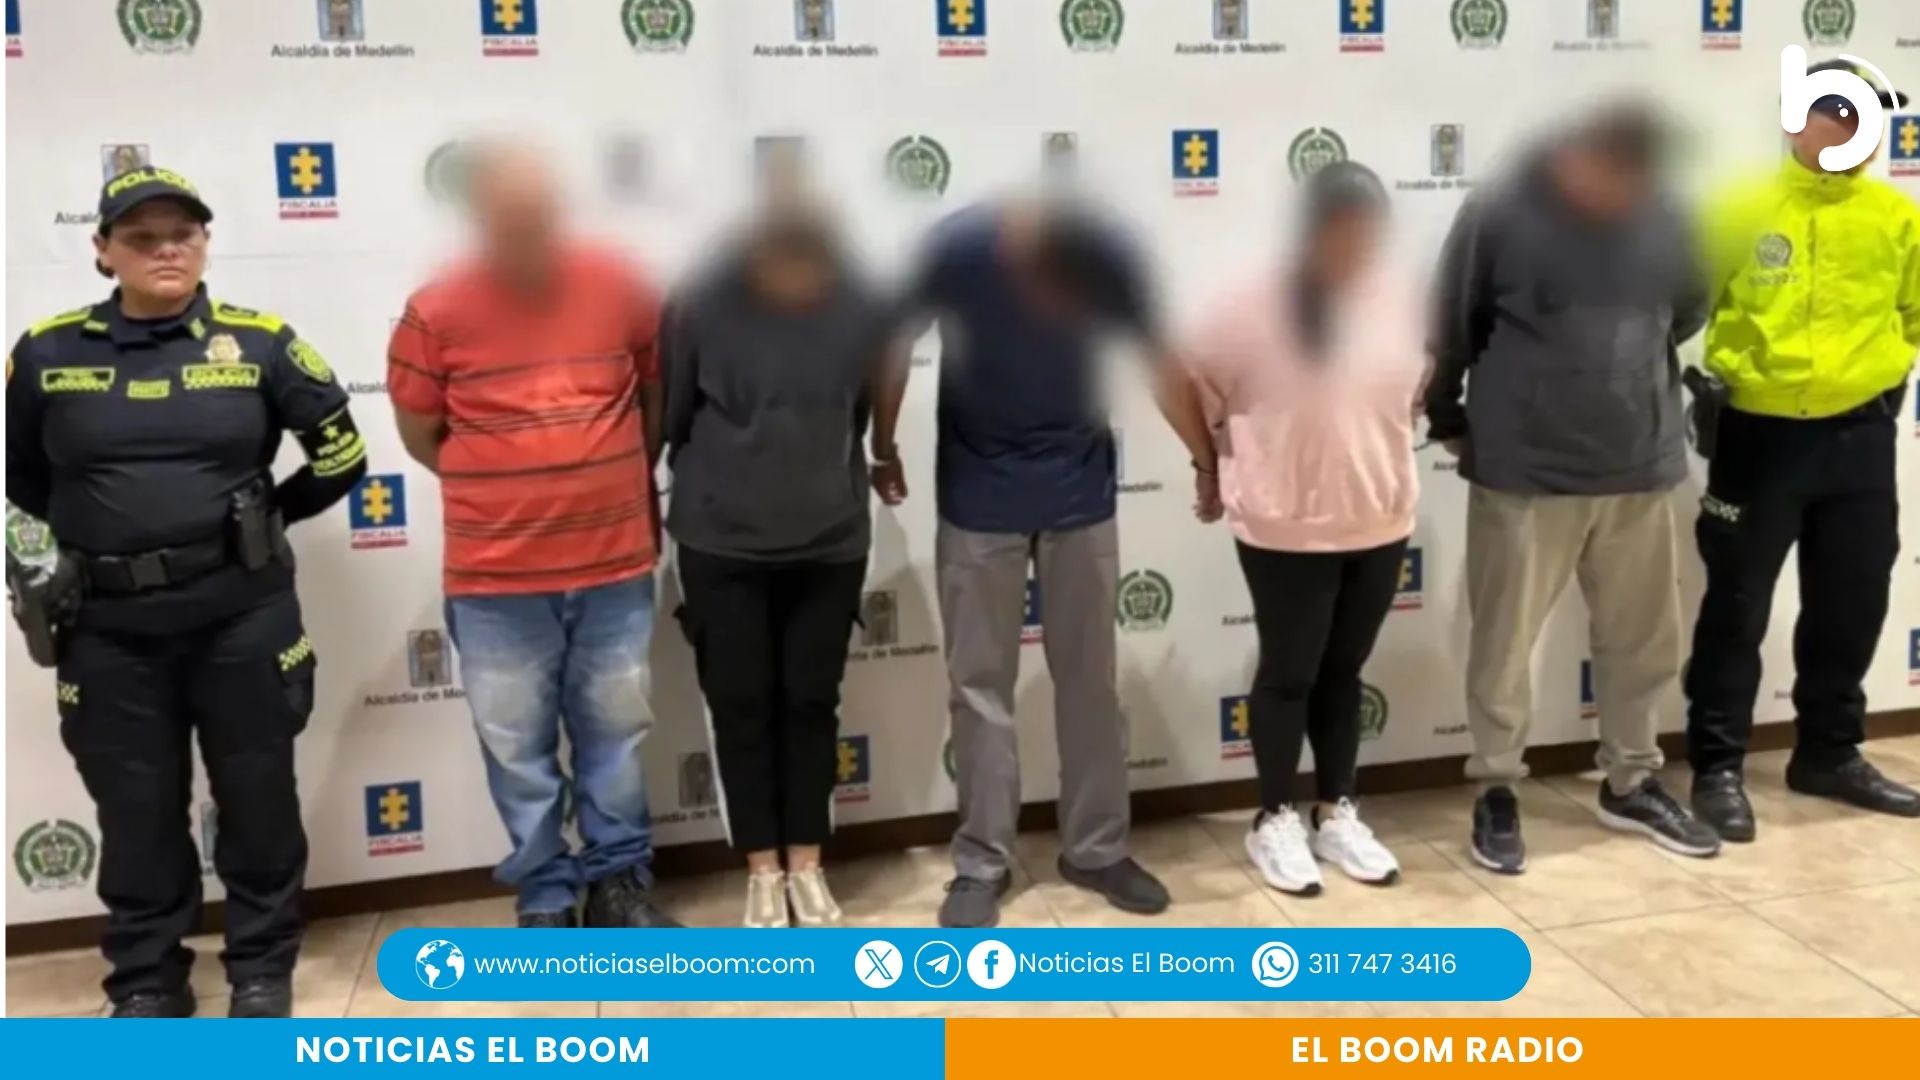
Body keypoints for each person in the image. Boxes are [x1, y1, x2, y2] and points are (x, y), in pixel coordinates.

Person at [4, 167, 367, 1017]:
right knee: (135, 811)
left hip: (241, 615)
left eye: (184, 235)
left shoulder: (262, 344)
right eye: (142, 238)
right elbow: (19, 480)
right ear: (103, 251)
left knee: (258, 797)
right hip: (106, 625)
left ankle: (261, 969)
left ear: (205, 245)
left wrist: (263, 521)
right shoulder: (46, 352)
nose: (166, 250)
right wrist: (58, 555)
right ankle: (145, 980)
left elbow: (342, 456)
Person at [873, 197, 1218, 928]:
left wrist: (1205, 460)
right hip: (978, 498)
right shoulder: (954, 247)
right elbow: (893, 342)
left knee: (1089, 682)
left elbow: (1158, 360)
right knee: (979, 689)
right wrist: (883, 444)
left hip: (1079, 494)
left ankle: (1096, 849)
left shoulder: (1105, 248)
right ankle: (980, 863)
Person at [387, 145, 677, 929]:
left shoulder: (622, 287)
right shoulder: (434, 310)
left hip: (614, 565)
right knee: (516, 748)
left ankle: (620, 885)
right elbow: (421, 434)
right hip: (495, 578)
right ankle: (546, 892)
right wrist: (512, 483)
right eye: (507, 214)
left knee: (616, 735)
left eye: (538, 212)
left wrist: (604, 477)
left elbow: (652, 401)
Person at [1425, 105, 1722, 874]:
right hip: (1525, 469)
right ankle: (1496, 788)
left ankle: (1632, 779)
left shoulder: (1669, 211)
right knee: (1504, 645)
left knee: (1643, 642)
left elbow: (1689, 307)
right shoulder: (1499, 209)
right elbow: (1451, 320)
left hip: (1640, 461)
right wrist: (1447, 414)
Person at [1684, 63, 1920, 840]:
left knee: (1852, 602)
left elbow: (1913, 315)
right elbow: (1681, 310)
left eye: (1863, 116)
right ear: (1794, 120)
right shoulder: (1739, 209)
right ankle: (1717, 766)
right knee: (1736, 606)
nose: (1850, 129)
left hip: (1860, 439)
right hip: (1760, 439)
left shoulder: (1897, 217)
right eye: (1833, 112)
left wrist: (1875, 376)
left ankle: (1828, 753)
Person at [1184, 162, 1419, 895]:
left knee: (1344, 672)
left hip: (1380, 516)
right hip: (1284, 523)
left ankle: (1336, 810)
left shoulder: (1402, 299)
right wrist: (1207, 462)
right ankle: (1274, 817)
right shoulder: (1248, 303)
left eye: (1368, 237)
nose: (1356, 251)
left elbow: (1416, 388)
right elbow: (1178, 376)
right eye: (1342, 235)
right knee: (1290, 674)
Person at [662, 205, 886, 928]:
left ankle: (807, 864)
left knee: (811, 703)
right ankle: (762, 869)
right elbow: (671, 413)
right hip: (721, 542)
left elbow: (855, 413)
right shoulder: (698, 301)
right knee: (741, 707)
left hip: (829, 541)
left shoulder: (856, 304)